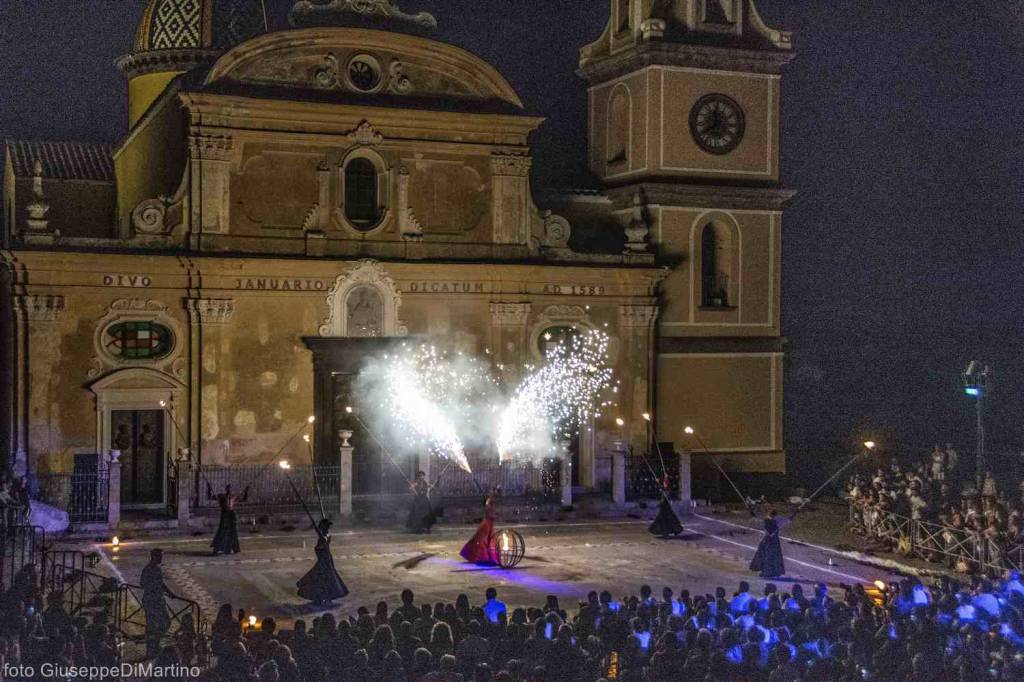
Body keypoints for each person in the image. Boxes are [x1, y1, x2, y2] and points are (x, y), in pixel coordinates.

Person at [297, 518, 349, 605]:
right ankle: (324, 597)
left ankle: (323, 597)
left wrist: (319, 536)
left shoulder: (324, 537)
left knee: (321, 579)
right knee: (325, 578)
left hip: (324, 561)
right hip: (326, 560)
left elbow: (319, 547)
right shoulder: (326, 536)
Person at [141, 548, 180, 658]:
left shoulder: (156, 569)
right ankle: (152, 648)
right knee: (157, 624)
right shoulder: (148, 569)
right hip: (152, 600)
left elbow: (161, 583)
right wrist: (154, 588)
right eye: (160, 556)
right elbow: (143, 584)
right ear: (154, 557)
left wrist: (170, 593)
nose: (162, 558)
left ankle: (154, 646)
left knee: (160, 624)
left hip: (157, 599)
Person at [748, 507, 794, 578]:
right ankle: (771, 572)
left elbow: (755, 519)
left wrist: (750, 510)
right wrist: (797, 511)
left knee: (764, 555)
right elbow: (790, 519)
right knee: (772, 556)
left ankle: (764, 571)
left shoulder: (766, 521)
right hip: (774, 541)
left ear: (770, 514)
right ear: (776, 515)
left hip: (766, 540)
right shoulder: (778, 521)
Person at [460, 488, 500, 565]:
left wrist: (495, 515)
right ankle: (482, 557)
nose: (494, 494)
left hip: (490, 524)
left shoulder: (492, 502)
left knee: (489, 540)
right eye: (492, 493)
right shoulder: (488, 502)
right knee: (482, 540)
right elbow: (488, 512)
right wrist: (494, 515)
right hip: (487, 524)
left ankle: (488, 557)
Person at [209, 482, 249, 555]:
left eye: (231, 489)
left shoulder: (234, 496)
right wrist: (209, 487)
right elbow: (210, 497)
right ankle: (218, 549)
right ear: (226, 489)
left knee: (232, 531)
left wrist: (246, 491)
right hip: (225, 514)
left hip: (231, 514)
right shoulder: (221, 496)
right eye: (228, 489)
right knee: (222, 530)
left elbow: (244, 499)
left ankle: (231, 548)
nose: (230, 490)